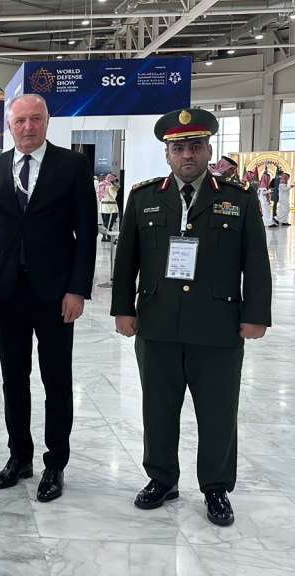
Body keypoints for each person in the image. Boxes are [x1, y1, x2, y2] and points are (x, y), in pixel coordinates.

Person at [111, 107, 271, 527]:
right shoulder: (144, 198)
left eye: (195, 146)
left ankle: (216, 487)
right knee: (158, 408)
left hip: (218, 325)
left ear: (208, 150)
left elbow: (256, 260)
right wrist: (123, 308)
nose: (187, 155)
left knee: (218, 412)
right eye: (179, 148)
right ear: (167, 154)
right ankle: (162, 478)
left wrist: (256, 314)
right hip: (158, 322)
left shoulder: (237, 199)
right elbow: (126, 261)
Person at [0, 93, 97, 503]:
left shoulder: (72, 165)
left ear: (47, 121)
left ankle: (55, 463)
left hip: (56, 294)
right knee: (13, 379)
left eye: (35, 119)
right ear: (9, 126)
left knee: (56, 380)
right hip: (7, 293)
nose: (28, 127)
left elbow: (86, 232)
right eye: (20, 120)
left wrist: (77, 289)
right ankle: (19, 456)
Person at [98, 173, 120, 241]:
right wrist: (116, 188)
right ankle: (106, 237)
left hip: (103, 207)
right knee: (109, 224)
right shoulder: (110, 186)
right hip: (110, 208)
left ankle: (105, 237)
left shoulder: (101, 184)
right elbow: (114, 196)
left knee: (105, 223)